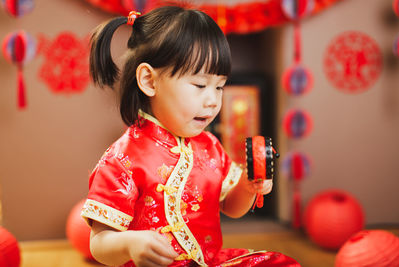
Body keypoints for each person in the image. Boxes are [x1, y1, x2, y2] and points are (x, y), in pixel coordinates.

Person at [81, 5, 300, 267]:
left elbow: (231, 206)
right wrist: (131, 243)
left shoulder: (210, 146)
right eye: (199, 85)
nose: (212, 101)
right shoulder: (122, 159)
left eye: (219, 86)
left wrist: (247, 187)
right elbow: (99, 244)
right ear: (150, 81)